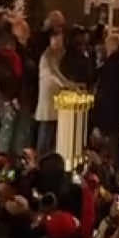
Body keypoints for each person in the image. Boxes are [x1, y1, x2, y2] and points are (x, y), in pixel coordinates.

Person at [91, 30, 119, 167]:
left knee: (114, 138)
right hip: (118, 104)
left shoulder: (112, 63)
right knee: (115, 137)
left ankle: (116, 166)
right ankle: (115, 164)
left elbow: (102, 80)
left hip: (110, 105)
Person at [0, 21, 30, 157]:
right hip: (6, 100)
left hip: (16, 98)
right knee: (7, 128)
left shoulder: (16, 58)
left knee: (17, 127)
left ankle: (15, 155)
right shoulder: (1, 61)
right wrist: (8, 100)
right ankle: (2, 157)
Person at [35, 27, 73, 158]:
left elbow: (58, 74)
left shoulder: (54, 55)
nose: (60, 44)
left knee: (51, 131)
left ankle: (49, 158)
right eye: (58, 41)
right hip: (47, 99)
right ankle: (41, 158)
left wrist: (70, 85)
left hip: (55, 99)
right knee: (46, 131)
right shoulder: (47, 56)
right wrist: (66, 85)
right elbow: (53, 75)